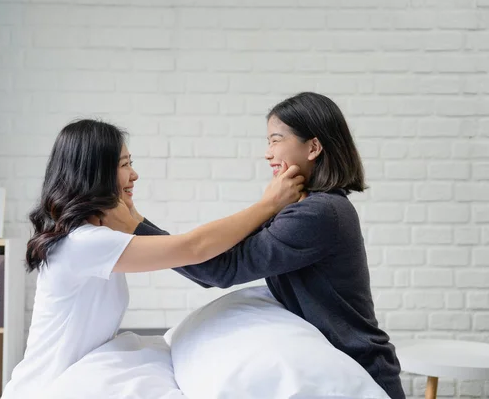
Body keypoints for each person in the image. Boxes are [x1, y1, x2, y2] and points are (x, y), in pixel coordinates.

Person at [109, 92, 405, 399]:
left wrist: (135, 226)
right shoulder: (306, 207)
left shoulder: (319, 213)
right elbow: (226, 252)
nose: (268, 153)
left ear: (313, 147)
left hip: (361, 372)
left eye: (275, 140)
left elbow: (222, 269)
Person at [0, 119, 304, 398]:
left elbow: (189, 251)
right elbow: (194, 249)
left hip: (79, 378)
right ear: (95, 174)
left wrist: (135, 219)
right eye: (124, 165)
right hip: (49, 387)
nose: (134, 175)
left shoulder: (89, 238)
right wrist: (270, 203)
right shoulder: (85, 243)